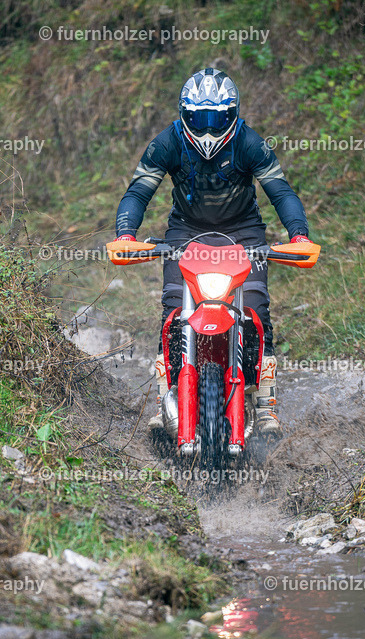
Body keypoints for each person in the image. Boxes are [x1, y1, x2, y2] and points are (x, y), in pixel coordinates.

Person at [109, 67, 313, 436]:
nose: (207, 129)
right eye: (198, 118)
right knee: (174, 312)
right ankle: (166, 401)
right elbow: (138, 191)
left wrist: (298, 236)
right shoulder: (167, 143)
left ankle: (265, 406)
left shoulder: (250, 143)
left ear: (232, 115)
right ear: (183, 114)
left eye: (216, 119)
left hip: (243, 232)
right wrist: (126, 234)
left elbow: (281, 192)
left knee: (256, 311)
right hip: (185, 233)